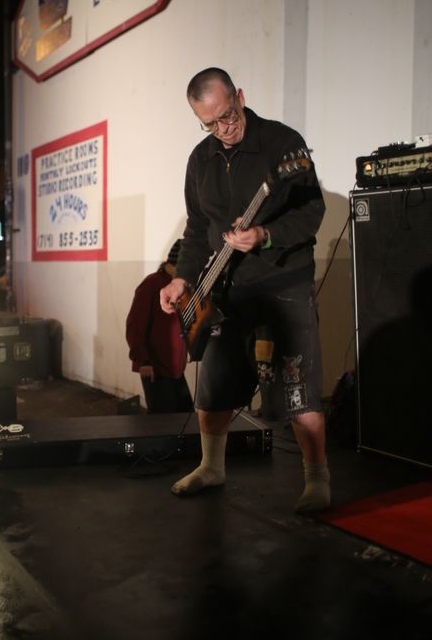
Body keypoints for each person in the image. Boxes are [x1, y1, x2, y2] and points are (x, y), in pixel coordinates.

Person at [159, 68, 329, 513]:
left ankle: (317, 479)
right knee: (213, 384)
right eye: (210, 123)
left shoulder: (282, 143)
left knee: (298, 386)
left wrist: (265, 236)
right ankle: (211, 467)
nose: (223, 128)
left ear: (240, 96)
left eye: (228, 115)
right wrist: (181, 277)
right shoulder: (200, 160)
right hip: (228, 289)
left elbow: (312, 213)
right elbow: (198, 228)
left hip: (285, 282)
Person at [126, 240, 194, 414]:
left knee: (186, 417)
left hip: (176, 369)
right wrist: (143, 361)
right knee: (162, 422)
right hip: (154, 368)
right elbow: (135, 325)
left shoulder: (183, 287)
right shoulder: (151, 284)